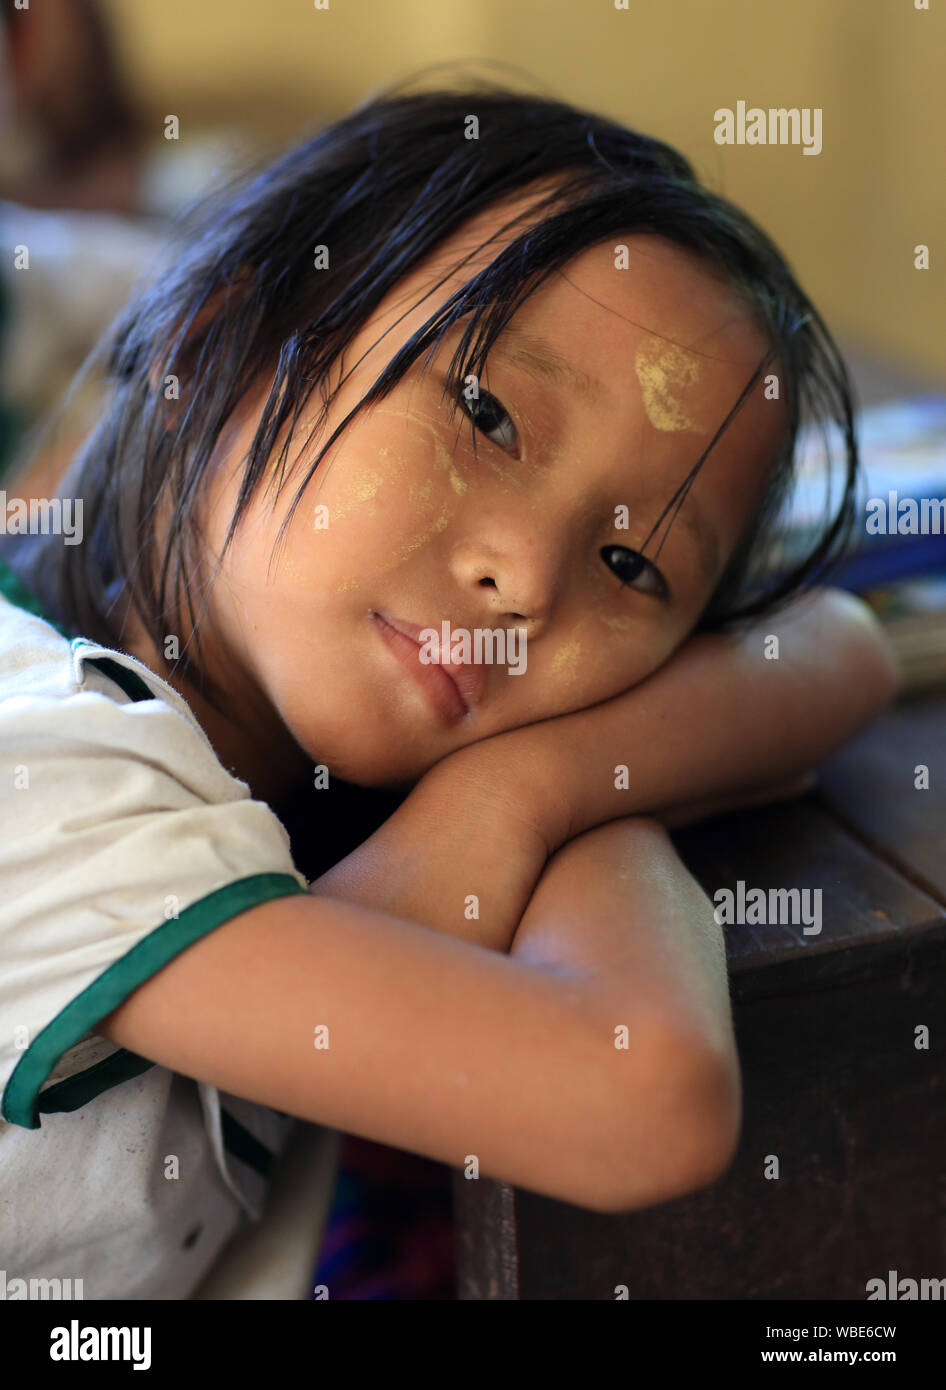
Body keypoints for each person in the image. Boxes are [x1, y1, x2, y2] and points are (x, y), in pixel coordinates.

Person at [0, 83, 900, 1300]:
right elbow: (641, 1093)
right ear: (219, 330)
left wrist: (542, 771)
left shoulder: (261, 786)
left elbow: (839, 643)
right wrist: (540, 784)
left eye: (631, 564)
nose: (525, 579)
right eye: (485, 411)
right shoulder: (44, 759)